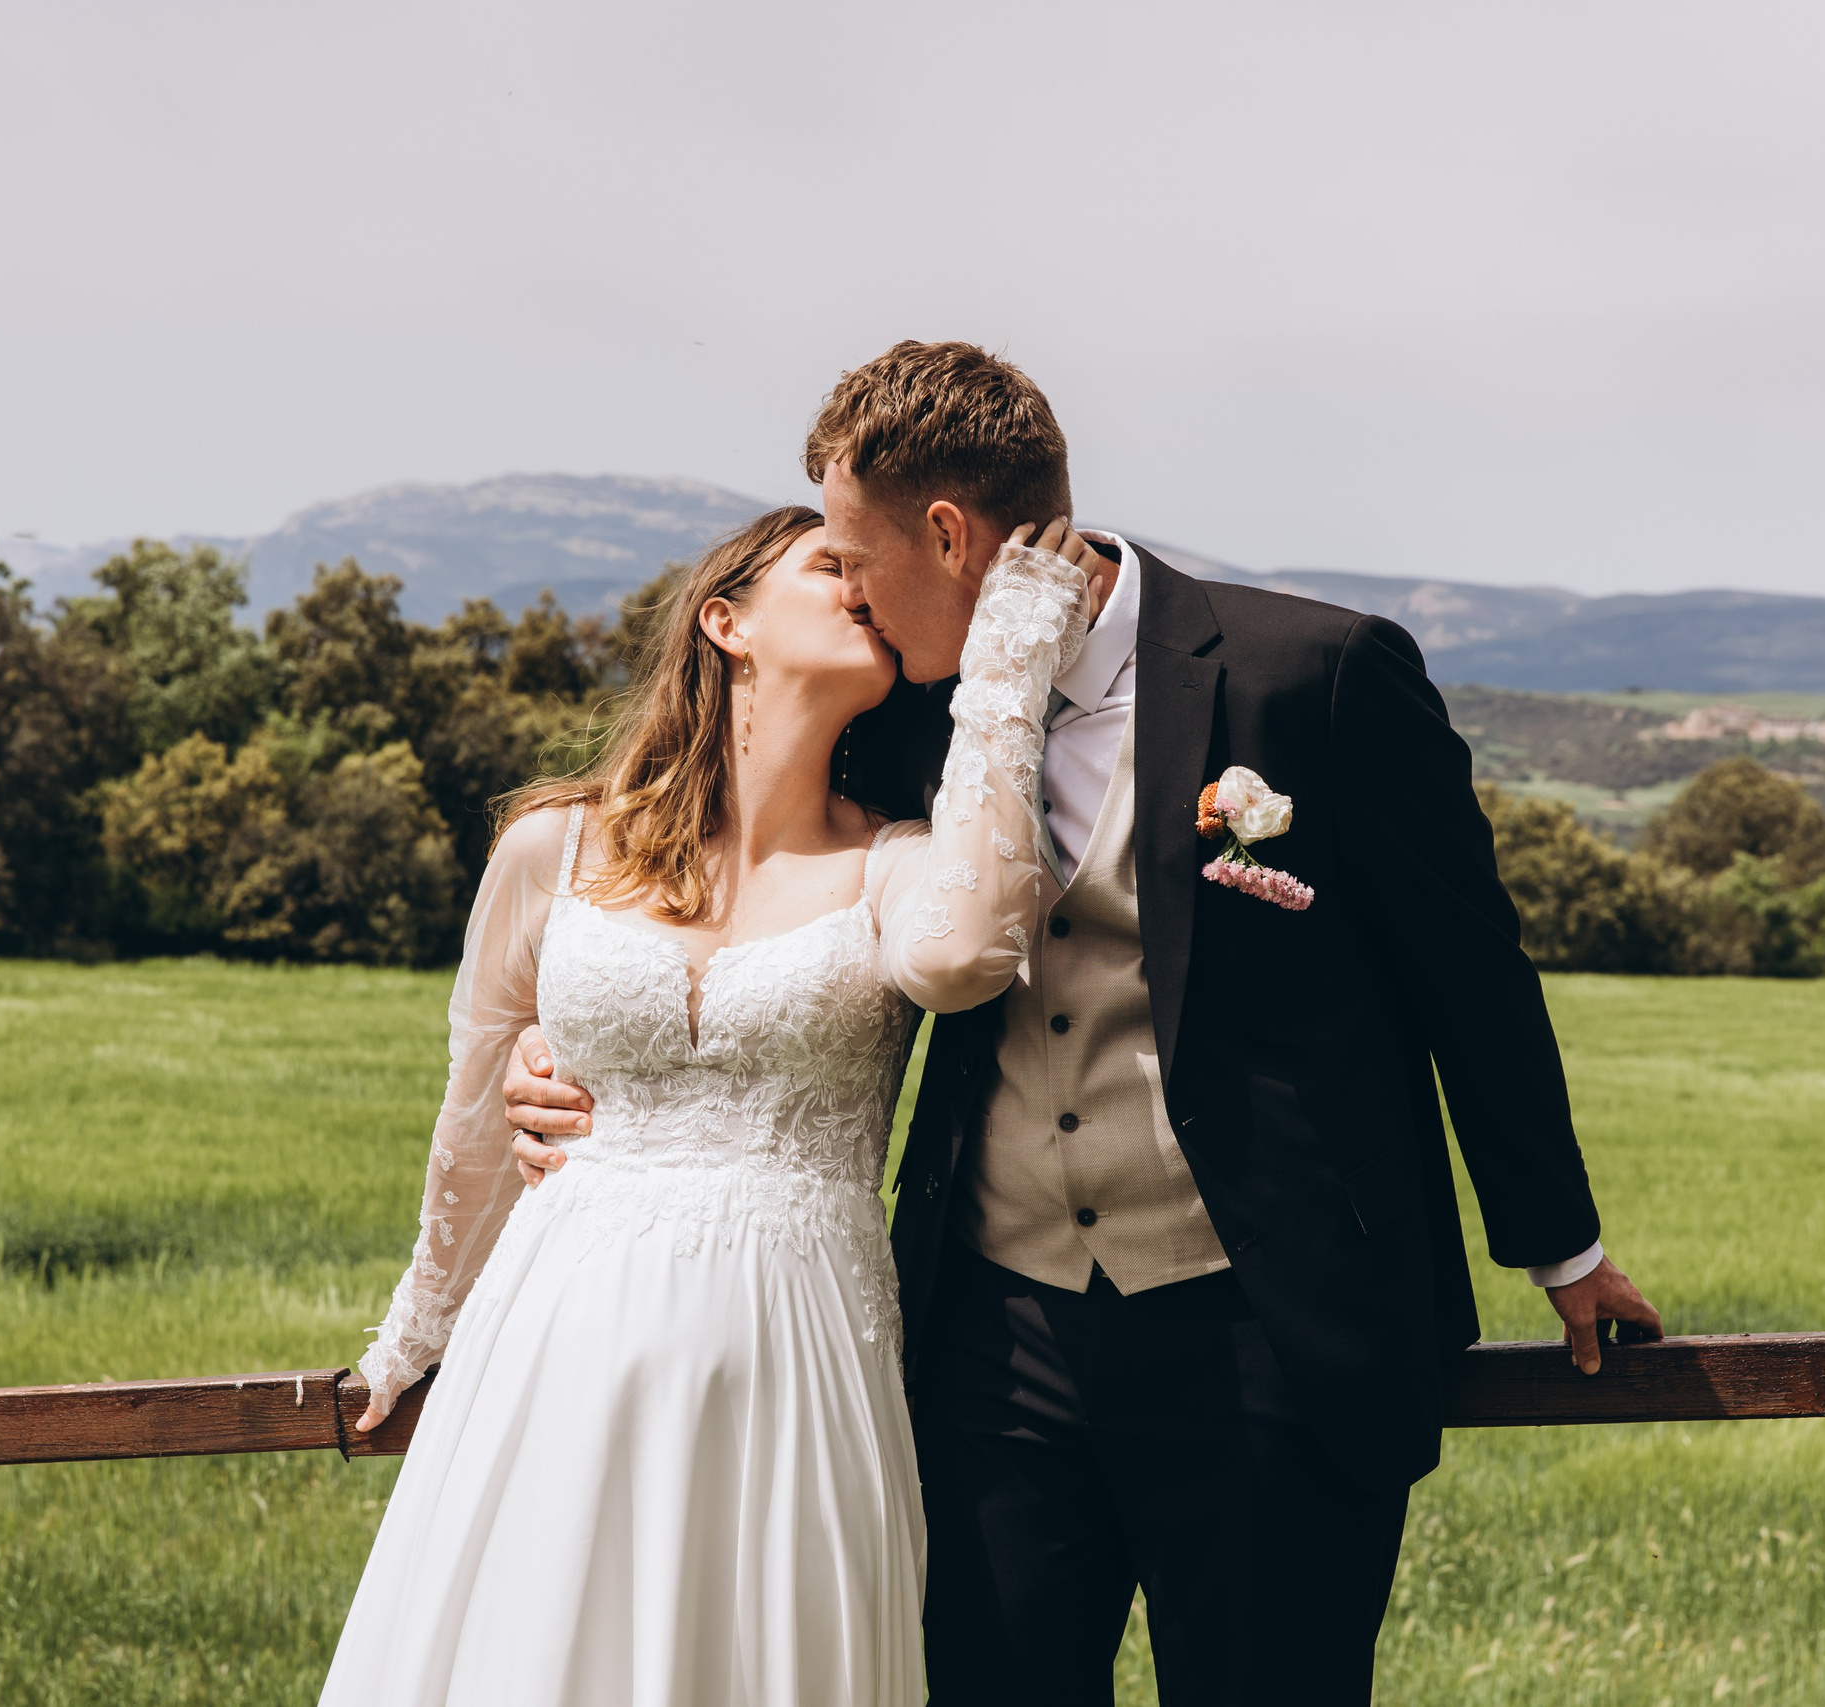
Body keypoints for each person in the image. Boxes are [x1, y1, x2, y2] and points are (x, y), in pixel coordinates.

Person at [506, 340, 1665, 1704]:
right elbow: (749, 885)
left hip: (1265, 1339)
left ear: (948, 533)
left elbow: (1468, 974)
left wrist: (1563, 1245)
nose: (856, 599)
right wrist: (585, 1059)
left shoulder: (1315, 675)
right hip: (995, 1341)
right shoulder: (900, 716)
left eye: (857, 557)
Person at [319, 502, 1115, 1706]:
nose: (861, 582)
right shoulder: (554, 849)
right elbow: (477, 1114)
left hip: (793, 1361)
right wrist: (411, 1339)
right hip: (554, 1348)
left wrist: (1003, 669)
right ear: (724, 621)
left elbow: (963, 959)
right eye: (826, 564)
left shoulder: (895, 863)